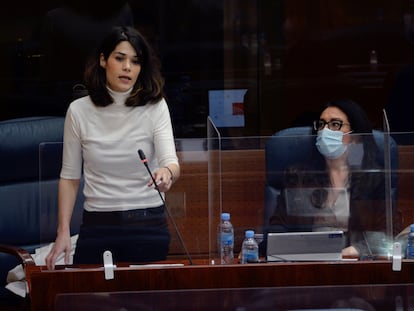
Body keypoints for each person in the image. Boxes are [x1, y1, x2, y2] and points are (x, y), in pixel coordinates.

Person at [45, 26, 180, 269]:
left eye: (135, 61)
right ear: (103, 60)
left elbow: (171, 162)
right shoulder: (79, 111)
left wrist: (167, 174)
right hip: (99, 224)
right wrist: (63, 231)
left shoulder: (155, 106)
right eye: (120, 58)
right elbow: (70, 177)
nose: (128, 67)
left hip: (147, 222)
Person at [264, 99, 401, 259]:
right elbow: (276, 229)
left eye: (335, 124)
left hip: (356, 263)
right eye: (321, 124)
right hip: (307, 263)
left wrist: (349, 252)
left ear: (355, 136)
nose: (325, 131)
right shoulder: (299, 175)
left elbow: (389, 232)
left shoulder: (373, 177)